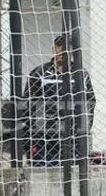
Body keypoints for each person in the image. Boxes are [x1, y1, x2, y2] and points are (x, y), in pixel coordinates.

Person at [24, 35, 96, 167]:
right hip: (45, 141)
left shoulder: (81, 74)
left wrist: (83, 129)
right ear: (54, 50)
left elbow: (90, 103)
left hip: (74, 139)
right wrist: (33, 135)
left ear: (73, 52)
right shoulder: (39, 73)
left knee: (75, 176)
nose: (62, 54)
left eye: (66, 50)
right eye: (59, 50)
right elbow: (27, 105)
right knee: (44, 176)